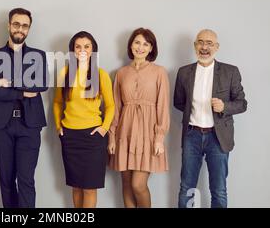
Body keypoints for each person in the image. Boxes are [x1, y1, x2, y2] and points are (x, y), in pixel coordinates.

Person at [0, 8, 48, 208]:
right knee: (6, 180)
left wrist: (5, 82)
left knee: (26, 180)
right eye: (16, 24)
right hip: (2, 126)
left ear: (29, 29)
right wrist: (20, 92)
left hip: (30, 125)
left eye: (25, 26)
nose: (20, 29)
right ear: (9, 25)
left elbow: (40, 85)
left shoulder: (38, 56)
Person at [175, 29, 247, 208]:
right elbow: (178, 102)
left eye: (209, 43)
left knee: (219, 189)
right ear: (194, 46)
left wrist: (225, 107)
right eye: (200, 42)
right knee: (187, 187)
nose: (204, 47)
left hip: (218, 137)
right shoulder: (184, 72)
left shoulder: (230, 71)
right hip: (192, 135)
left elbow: (242, 103)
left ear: (217, 47)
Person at [108, 28, 170, 208]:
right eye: (137, 42)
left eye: (145, 44)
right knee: (126, 184)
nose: (140, 47)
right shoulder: (121, 73)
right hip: (124, 131)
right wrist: (112, 137)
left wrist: (159, 138)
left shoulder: (159, 72)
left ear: (151, 48)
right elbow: (116, 107)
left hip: (148, 133)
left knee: (138, 184)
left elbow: (163, 106)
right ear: (130, 45)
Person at [53, 31, 115, 208]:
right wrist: (59, 127)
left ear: (93, 50)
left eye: (87, 46)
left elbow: (111, 106)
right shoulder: (64, 73)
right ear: (72, 50)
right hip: (70, 137)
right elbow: (57, 102)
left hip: (93, 138)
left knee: (89, 189)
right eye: (78, 46)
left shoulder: (101, 74)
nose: (82, 50)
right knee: (76, 187)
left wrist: (104, 128)